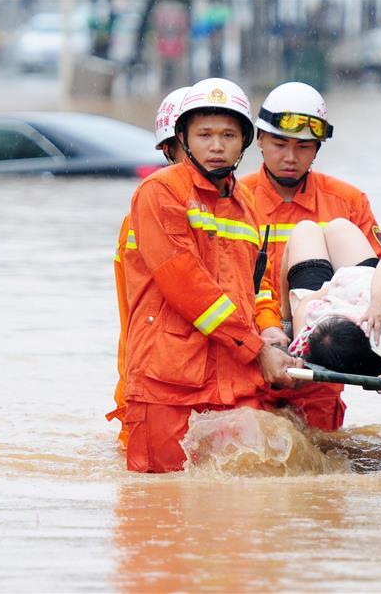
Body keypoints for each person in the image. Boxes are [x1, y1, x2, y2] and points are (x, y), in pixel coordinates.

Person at [120, 77, 301, 473]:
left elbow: (258, 285)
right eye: (204, 135)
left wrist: (270, 330)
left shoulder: (246, 202)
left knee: (243, 516)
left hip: (234, 380)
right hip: (169, 384)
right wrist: (257, 350)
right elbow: (187, 286)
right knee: (160, 507)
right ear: (182, 138)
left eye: (228, 135)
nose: (217, 146)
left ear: (244, 142)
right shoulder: (160, 191)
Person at [241, 82, 381, 432]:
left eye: (303, 147)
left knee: (322, 467)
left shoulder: (348, 201)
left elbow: (376, 276)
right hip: (252, 357)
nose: (290, 157)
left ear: (318, 149)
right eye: (279, 144)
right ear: (259, 139)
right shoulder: (237, 200)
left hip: (321, 361)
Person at [107, 85, 191, 451]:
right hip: (157, 380)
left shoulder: (238, 205)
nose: (210, 151)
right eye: (197, 141)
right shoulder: (154, 208)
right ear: (170, 149)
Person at [281, 219, 381, 379]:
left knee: (305, 229)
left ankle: (284, 316)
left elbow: (304, 306)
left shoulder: (312, 338)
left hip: (322, 293)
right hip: (369, 282)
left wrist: (329, 289)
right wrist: (380, 297)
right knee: (339, 226)